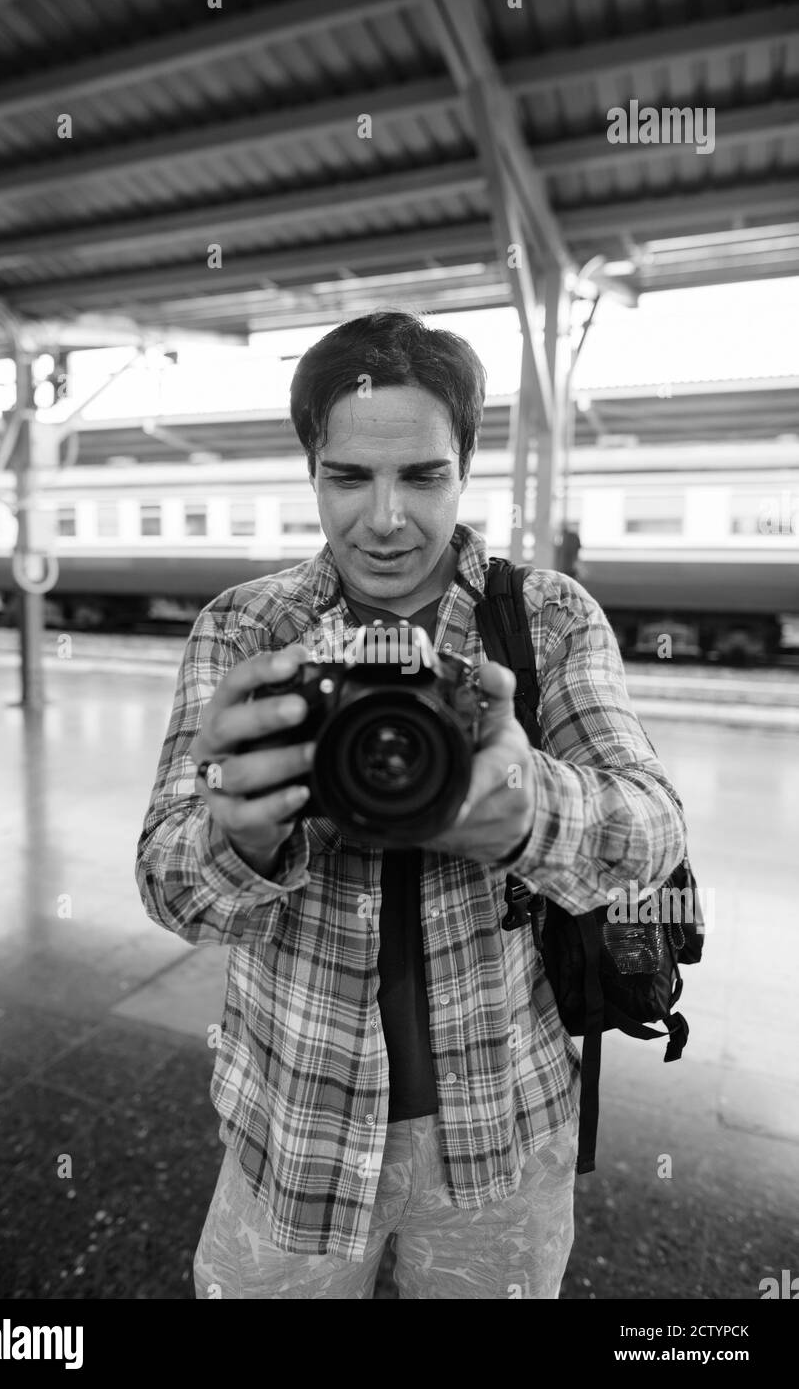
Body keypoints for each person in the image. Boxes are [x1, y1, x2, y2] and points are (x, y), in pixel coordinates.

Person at [135, 310, 685, 1300]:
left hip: (499, 1134)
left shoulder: (546, 617)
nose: (385, 518)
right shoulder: (250, 628)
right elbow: (170, 885)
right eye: (349, 477)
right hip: (294, 1131)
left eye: (422, 476)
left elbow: (652, 830)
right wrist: (242, 835)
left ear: (465, 465)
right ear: (311, 470)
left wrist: (524, 812)